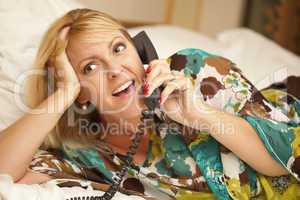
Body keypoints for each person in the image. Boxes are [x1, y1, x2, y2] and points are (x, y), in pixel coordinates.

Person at [0, 8, 299, 199]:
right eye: (90, 67)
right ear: (80, 91)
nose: (115, 70)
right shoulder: (87, 155)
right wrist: (63, 91)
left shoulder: (195, 70)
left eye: (119, 49)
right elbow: (3, 176)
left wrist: (200, 115)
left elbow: (283, 160)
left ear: (139, 51)